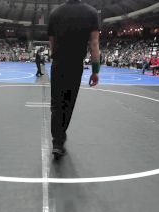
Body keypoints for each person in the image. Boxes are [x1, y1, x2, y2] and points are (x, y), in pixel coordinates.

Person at [48, 0, 100, 159]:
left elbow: (51, 42)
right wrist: (95, 70)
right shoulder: (91, 13)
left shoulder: (55, 13)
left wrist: (54, 57)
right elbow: (94, 43)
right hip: (75, 65)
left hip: (58, 64)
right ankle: (60, 138)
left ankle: (57, 140)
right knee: (67, 103)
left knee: (56, 103)